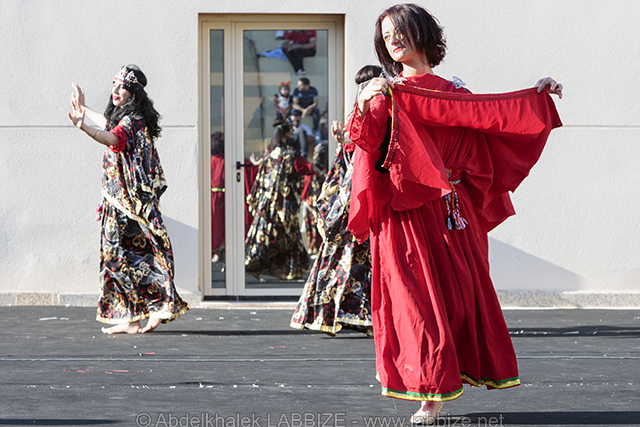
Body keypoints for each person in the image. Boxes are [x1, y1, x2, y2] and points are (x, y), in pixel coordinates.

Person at [345, 4, 563, 423]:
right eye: (387, 35)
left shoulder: (455, 93)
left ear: (422, 33)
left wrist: (535, 97)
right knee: (417, 304)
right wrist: (364, 101)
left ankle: (450, 375)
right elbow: (365, 145)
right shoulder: (385, 92)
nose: (394, 40)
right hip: (404, 213)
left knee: (458, 301)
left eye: (400, 30)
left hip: (451, 211)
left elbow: (496, 117)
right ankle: (431, 392)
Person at [68, 65, 189, 334]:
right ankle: (134, 319)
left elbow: (114, 137)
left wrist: (84, 127)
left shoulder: (132, 121)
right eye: (114, 84)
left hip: (127, 206)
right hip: (120, 203)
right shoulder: (130, 118)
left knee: (130, 258)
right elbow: (109, 125)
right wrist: (84, 110)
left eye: (122, 86)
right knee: (125, 258)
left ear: (133, 93)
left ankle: (156, 309)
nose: (115, 89)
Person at [290, 65, 382, 336]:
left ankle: (367, 317)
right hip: (353, 196)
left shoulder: (383, 111)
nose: (365, 89)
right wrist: (344, 142)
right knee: (345, 255)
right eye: (362, 85)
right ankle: (339, 314)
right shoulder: (358, 114)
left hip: (371, 192)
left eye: (369, 83)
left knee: (364, 258)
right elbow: (349, 160)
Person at [245, 122, 323, 280]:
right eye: (291, 130)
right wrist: (323, 174)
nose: (293, 131)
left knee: (265, 233)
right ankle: (290, 269)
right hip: (285, 204)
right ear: (284, 133)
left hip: (269, 202)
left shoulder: (271, 152)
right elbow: (305, 167)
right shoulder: (289, 154)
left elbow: (264, 165)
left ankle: (254, 264)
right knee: (288, 234)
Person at [210, 132, 225, 263]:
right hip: (221, 197)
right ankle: (218, 250)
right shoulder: (223, 161)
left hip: (215, 197)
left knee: (216, 224)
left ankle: (218, 250)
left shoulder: (211, 161)